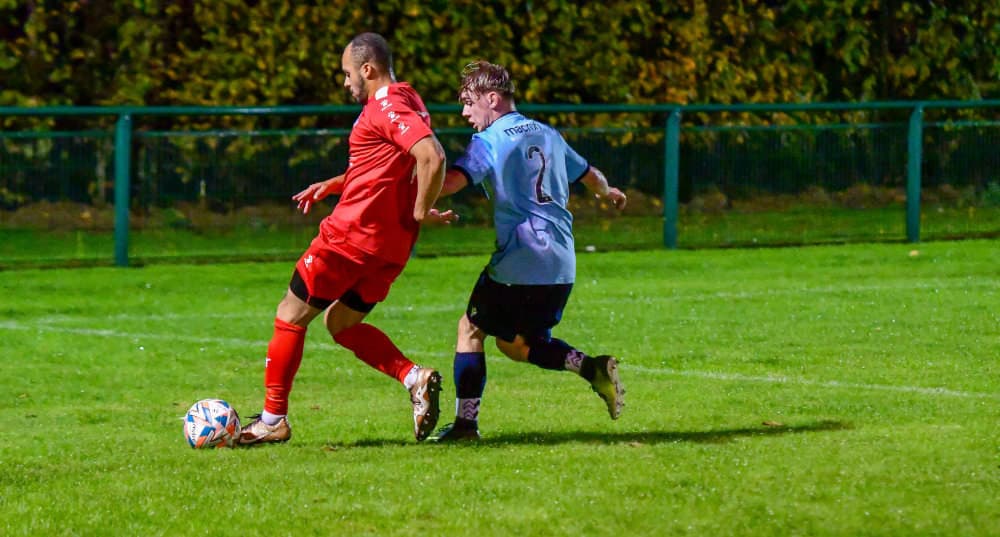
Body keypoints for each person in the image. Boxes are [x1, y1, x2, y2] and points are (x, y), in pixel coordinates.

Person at [239, 32, 457, 445]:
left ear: (367, 69)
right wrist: (338, 183)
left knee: (289, 314)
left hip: (351, 239)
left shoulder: (387, 104)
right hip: (390, 248)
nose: (345, 82)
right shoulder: (410, 99)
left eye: (347, 73)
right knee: (340, 323)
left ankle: (272, 420)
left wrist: (420, 209)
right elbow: (386, 167)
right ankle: (414, 377)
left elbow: (432, 156)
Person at [430, 61, 627, 441]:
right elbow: (591, 175)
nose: (465, 113)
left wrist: (406, 182)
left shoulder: (491, 140)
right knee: (517, 344)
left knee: (471, 329)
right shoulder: (548, 134)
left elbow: (452, 182)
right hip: (561, 263)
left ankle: (466, 427)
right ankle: (592, 368)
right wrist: (609, 192)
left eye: (469, 102)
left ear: (492, 99)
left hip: (520, 258)